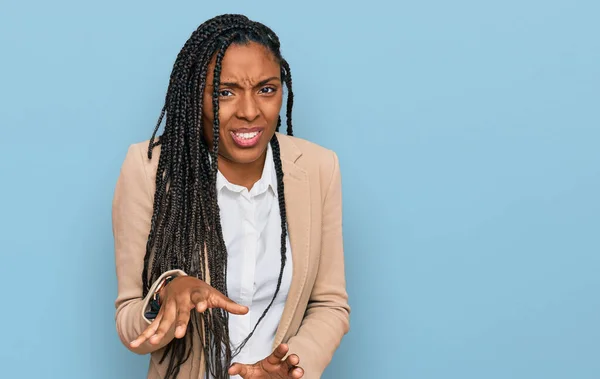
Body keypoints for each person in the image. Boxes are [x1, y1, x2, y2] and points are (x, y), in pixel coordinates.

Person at [112, 14, 350, 379]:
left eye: (266, 89)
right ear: (195, 96)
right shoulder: (149, 170)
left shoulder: (318, 168)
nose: (250, 111)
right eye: (225, 92)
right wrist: (167, 292)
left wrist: (294, 365)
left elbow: (330, 304)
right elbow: (130, 322)